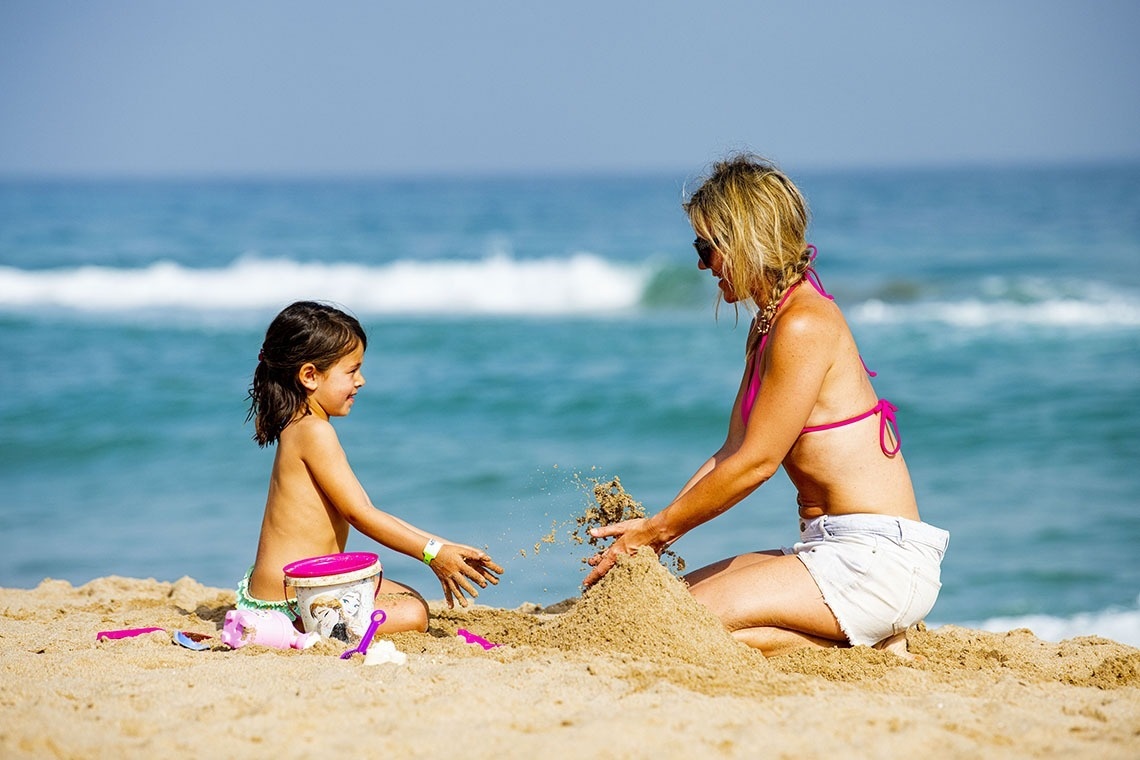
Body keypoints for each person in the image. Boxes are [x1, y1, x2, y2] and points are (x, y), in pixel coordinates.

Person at [584, 155, 949, 657]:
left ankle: (861, 645)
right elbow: (732, 450)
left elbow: (757, 464)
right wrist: (656, 533)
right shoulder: (767, 327)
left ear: (745, 241)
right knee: (663, 608)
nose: (699, 264)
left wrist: (656, 531)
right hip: (827, 548)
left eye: (705, 247)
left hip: (876, 560)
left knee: (673, 628)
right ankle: (866, 643)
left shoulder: (803, 325)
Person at [238, 300, 503, 634]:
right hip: (290, 597)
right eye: (351, 371)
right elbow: (359, 515)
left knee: (407, 596)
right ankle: (293, 630)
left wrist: (443, 547)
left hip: (300, 584)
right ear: (310, 376)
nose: (360, 381)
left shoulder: (303, 427)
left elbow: (368, 510)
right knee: (413, 614)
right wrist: (432, 555)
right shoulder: (313, 432)